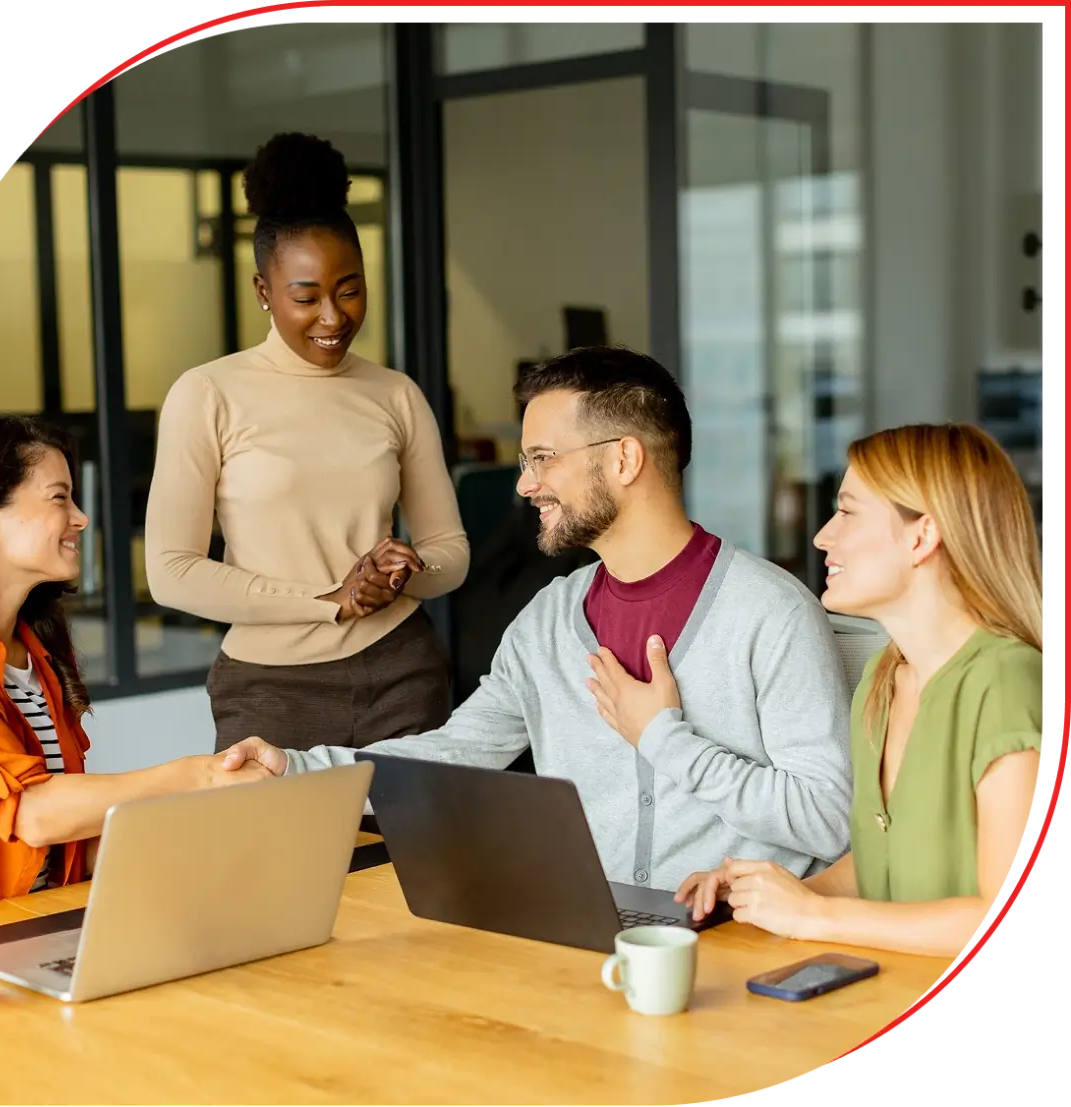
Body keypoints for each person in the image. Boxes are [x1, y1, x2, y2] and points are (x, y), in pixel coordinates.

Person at [221, 346, 854, 892]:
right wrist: (300, 770)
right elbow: (454, 753)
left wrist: (665, 741)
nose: (525, 486)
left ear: (625, 460)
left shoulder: (771, 613)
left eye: (543, 457)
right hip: (589, 943)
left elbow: (829, 816)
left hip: (744, 950)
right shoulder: (549, 621)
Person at [144, 132, 469, 757]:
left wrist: (404, 575)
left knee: (413, 858)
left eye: (349, 290)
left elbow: (450, 549)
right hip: (270, 693)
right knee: (281, 857)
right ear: (264, 291)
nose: (333, 316)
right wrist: (327, 601)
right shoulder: (207, 393)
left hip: (404, 672)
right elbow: (171, 573)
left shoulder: (395, 394)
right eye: (306, 296)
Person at [674, 423, 1045, 958]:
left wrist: (815, 915)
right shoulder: (883, 680)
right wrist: (770, 896)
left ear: (922, 536)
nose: (824, 536)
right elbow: (880, 861)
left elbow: (1004, 913)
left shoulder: (1008, 682)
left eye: (847, 512)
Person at [0, 412, 272, 915]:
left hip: (52, 922)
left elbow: (64, 846)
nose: (81, 518)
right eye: (60, 498)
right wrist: (200, 776)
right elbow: (30, 813)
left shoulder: (35, 651)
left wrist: (208, 823)